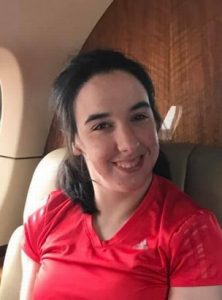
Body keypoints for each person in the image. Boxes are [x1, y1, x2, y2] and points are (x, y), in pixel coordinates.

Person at [20, 49, 222, 300]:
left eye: (139, 117)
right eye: (102, 126)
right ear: (75, 141)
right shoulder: (47, 215)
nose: (128, 143)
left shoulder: (189, 231)